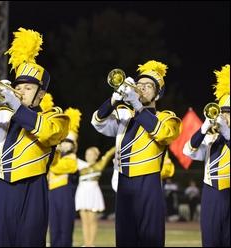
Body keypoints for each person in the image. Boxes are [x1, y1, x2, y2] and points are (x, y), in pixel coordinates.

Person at [0, 27, 70, 246]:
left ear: (41, 93)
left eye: (28, 87)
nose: (21, 91)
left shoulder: (54, 117)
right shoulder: (3, 114)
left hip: (33, 189)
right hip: (2, 189)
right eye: (18, 87)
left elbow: (49, 133)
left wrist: (14, 104)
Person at [91, 60, 181, 246]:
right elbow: (98, 122)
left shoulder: (167, 117)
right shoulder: (124, 114)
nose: (142, 89)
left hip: (149, 182)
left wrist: (138, 107)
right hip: (124, 183)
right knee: (124, 238)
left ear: (158, 93)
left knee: (151, 238)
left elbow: (164, 135)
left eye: (148, 86)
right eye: (139, 85)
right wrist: (113, 100)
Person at [183, 64, 230, 247]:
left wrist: (226, 133)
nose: (225, 117)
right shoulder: (211, 135)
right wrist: (203, 129)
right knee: (211, 241)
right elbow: (188, 151)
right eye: (223, 113)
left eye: (229, 114)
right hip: (212, 193)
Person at [47, 107, 81, 247]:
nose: (64, 144)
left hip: (65, 195)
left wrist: (53, 160)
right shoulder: (57, 155)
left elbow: (56, 167)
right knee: (54, 228)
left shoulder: (72, 158)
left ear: (73, 145)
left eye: (68, 142)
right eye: (63, 141)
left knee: (65, 229)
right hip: (52, 194)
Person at [75, 146, 115, 247]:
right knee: (84, 220)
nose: (88, 156)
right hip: (82, 192)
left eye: (90, 154)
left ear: (96, 156)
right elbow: (71, 156)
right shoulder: (80, 164)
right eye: (87, 154)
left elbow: (109, 154)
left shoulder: (99, 165)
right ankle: (86, 243)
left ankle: (91, 244)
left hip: (93, 193)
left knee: (92, 220)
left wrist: (119, 143)